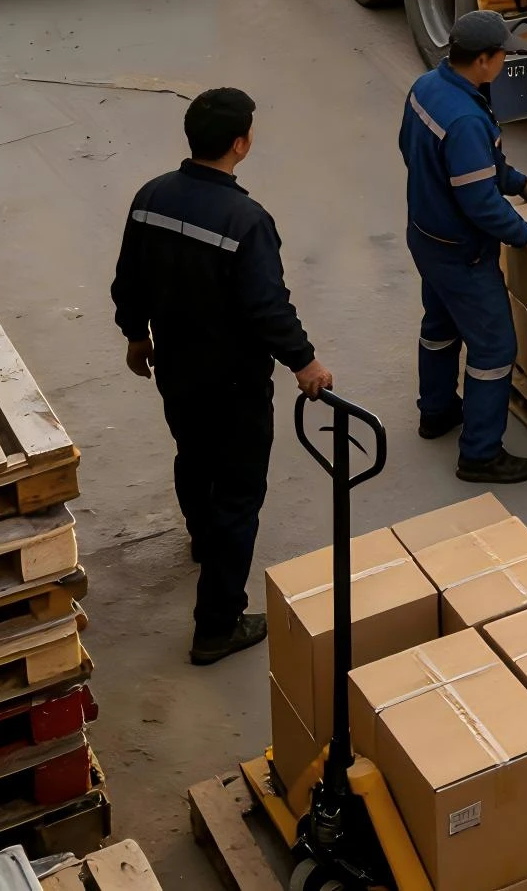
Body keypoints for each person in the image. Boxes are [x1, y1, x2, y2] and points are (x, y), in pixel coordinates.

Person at [111, 86, 332, 666]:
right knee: (238, 494)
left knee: (192, 455)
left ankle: (202, 541)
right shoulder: (245, 220)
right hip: (233, 382)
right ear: (241, 144)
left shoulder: (150, 197)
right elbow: (266, 307)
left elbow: (128, 278)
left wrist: (137, 335)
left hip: (177, 368)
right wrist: (304, 362)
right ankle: (217, 624)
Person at [401, 8, 527, 485]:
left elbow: (457, 165)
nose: (506, 63)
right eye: (503, 56)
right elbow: (478, 201)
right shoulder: (468, 118)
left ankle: (436, 412)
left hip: (426, 237)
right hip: (462, 251)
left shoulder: (426, 87)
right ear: (485, 60)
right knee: (493, 349)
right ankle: (480, 454)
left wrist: (520, 183)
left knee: (440, 326)